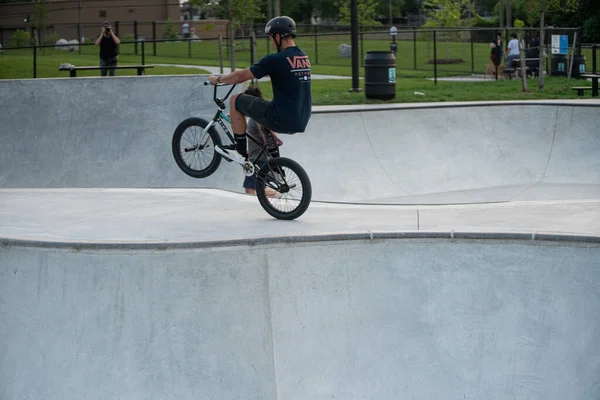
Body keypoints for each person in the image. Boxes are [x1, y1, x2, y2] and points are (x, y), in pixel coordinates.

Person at [206, 16, 311, 161]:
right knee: (261, 108)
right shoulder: (303, 58)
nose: (272, 43)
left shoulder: (275, 59)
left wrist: (217, 80)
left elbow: (240, 76)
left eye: (271, 38)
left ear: (278, 36)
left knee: (235, 100)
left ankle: (240, 151)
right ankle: (274, 157)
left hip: (281, 118)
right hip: (301, 119)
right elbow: (286, 73)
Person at [241, 86, 284, 195]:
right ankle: (275, 199)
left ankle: (278, 197)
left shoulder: (257, 118)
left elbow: (267, 134)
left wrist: (272, 154)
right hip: (255, 158)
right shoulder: (256, 117)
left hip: (260, 159)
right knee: (254, 188)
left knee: (252, 189)